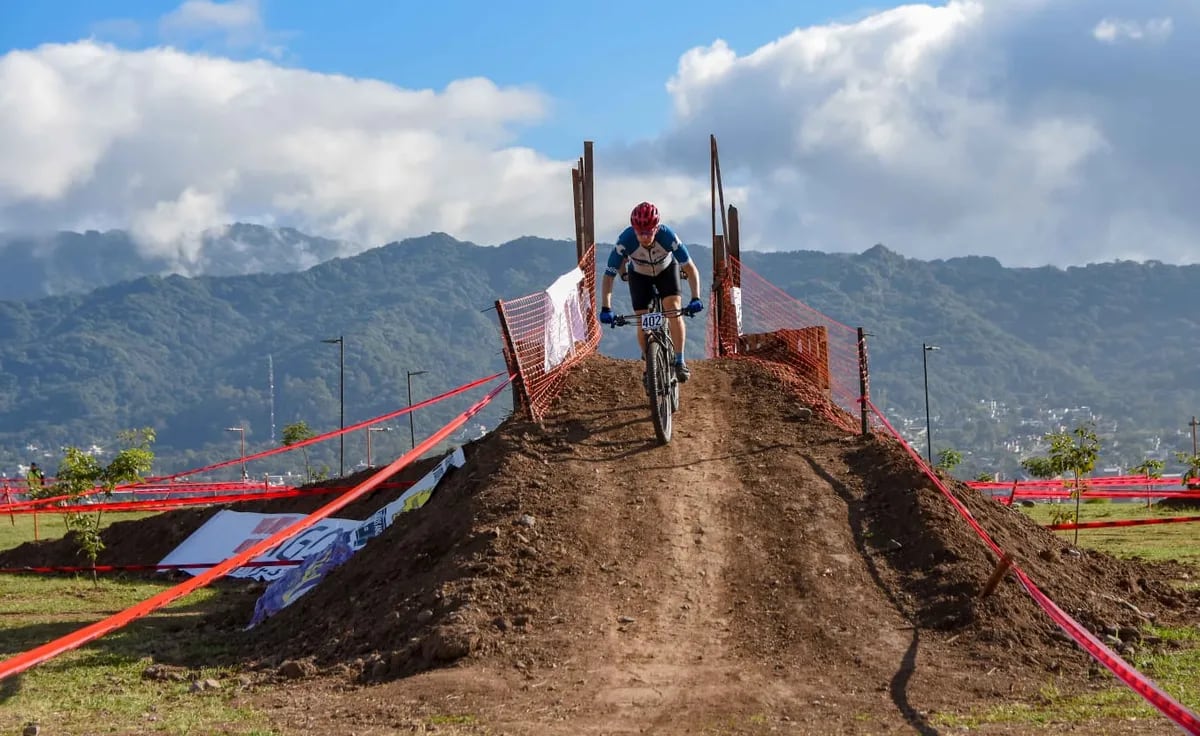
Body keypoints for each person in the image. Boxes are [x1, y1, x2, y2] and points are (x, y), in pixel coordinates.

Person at [599, 201, 703, 382]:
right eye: (640, 232)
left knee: (672, 308)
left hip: (666, 270)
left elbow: (690, 268)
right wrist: (606, 307)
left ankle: (679, 361)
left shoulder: (668, 236)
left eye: (648, 232)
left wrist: (696, 297)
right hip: (639, 275)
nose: (644, 237)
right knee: (642, 318)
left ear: (656, 228)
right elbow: (608, 276)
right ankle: (649, 364)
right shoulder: (625, 240)